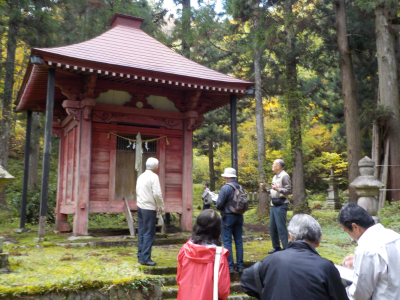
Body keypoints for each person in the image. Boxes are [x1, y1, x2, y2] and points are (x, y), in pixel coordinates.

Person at [241, 214, 348, 300]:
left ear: (291, 236)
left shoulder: (272, 260)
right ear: (319, 240)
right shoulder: (326, 267)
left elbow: (246, 281)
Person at [337, 203, 400, 300]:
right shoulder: (395, 236)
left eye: (347, 231)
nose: (350, 236)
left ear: (355, 227)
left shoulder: (365, 249)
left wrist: (343, 291)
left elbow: (359, 294)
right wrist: (357, 261)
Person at [177, 209, 230, 300]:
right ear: (217, 229)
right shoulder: (219, 255)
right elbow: (223, 290)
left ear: (197, 226)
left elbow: (179, 279)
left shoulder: (185, 250)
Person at [136, 157, 164, 266]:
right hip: (149, 208)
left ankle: (140, 255)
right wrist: (161, 206)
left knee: (142, 232)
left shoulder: (141, 176)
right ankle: (145, 258)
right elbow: (157, 193)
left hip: (140, 206)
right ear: (155, 167)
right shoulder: (154, 177)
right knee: (149, 233)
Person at [216, 167, 244, 273]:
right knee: (239, 241)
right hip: (239, 216)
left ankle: (230, 266)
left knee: (227, 241)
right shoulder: (241, 188)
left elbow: (219, 204)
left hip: (228, 217)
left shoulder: (225, 188)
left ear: (227, 177)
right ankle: (240, 266)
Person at [260, 159, 291, 254]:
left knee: (281, 227)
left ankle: (286, 248)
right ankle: (276, 247)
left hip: (281, 204)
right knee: (272, 227)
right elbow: (273, 191)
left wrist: (278, 189)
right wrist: (265, 189)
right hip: (274, 204)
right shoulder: (275, 176)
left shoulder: (284, 176)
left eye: (274, 164)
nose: (272, 165)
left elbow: (288, 190)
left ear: (278, 166)